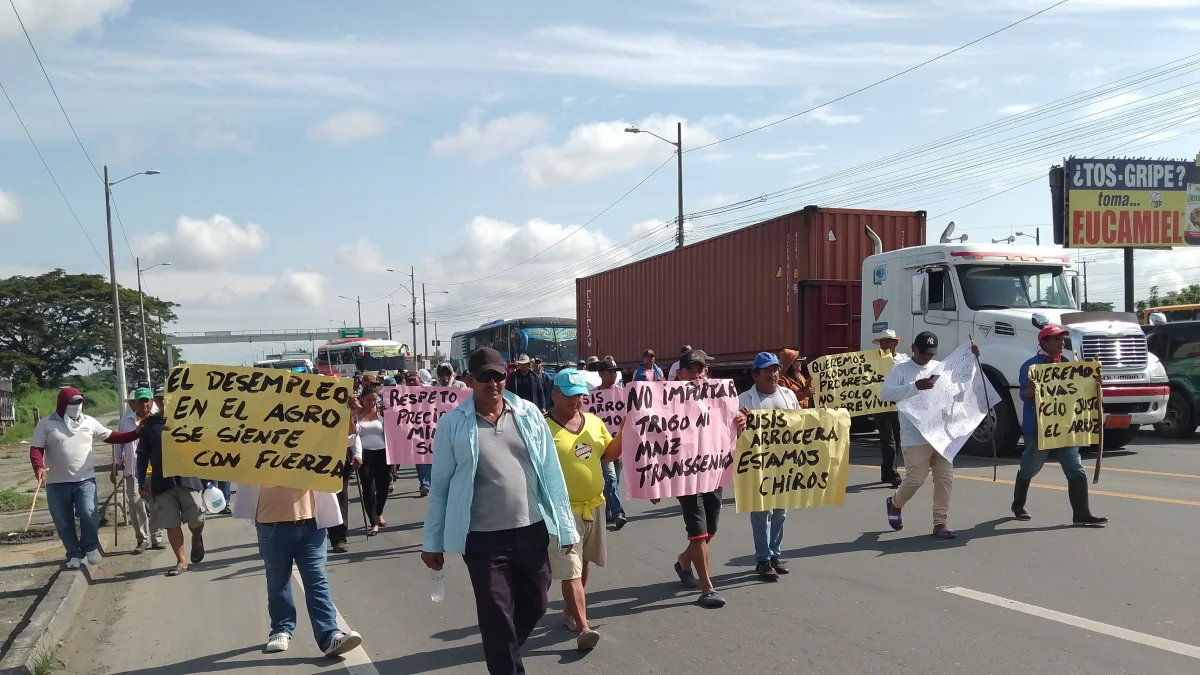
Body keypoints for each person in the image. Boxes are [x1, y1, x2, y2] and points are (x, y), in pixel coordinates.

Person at [421, 347, 579, 675]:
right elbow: (441, 487)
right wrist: (431, 541)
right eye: (484, 377)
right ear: (469, 380)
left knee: (536, 604)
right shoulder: (453, 424)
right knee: (495, 614)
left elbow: (551, 471)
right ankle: (503, 659)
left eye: (499, 376)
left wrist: (565, 528)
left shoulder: (529, 414)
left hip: (531, 529)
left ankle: (500, 649)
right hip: (482, 539)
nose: (493, 383)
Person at [233, 478, 363, 657]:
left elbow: (339, 449)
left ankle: (329, 635)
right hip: (271, 524)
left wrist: (356, 452)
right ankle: (281, 629)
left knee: (317, 579)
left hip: (311, 524)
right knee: (278, 580)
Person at [545, 369, 622, 651]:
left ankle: (568, 613)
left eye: (579, 395)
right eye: (569, 395)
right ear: (554, 394)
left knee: (584, 562)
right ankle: (584, 626)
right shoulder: (543, 427)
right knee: (571, 570)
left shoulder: (593, 421)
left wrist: (624, 431)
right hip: (562, 512)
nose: (575, 400)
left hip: (595, 505)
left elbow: (608, 454)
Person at [668, 349, 746, 608]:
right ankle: (707, 588)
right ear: (679, 373)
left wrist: (741, 421)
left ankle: (683, 561)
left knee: (710, 528)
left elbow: (729, 431)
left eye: (701, 369)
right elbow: (652, 441)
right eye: (691, 369)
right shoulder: (665, 401)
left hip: (713, 471)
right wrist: (654, 485)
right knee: (698, 532)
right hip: (685, 473)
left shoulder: (718, 399)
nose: (698, 374)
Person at [30, 388, 142, 569]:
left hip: (85, 480)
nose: (76, 407)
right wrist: (39, 467)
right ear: (62, 404)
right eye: (72, 403)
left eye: (79, 403)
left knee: (89, 513)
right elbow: (36, 448)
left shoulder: (89, 422)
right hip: (57, 483)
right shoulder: (46, 424)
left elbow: (111, 436)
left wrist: (136, 433)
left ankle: (90, 546)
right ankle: (73, 553)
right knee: (63, 521)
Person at [880, 332, 977, 540]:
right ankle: (895, 503)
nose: (927, 358)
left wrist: (972, 361)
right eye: (924, 353)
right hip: (914, 436)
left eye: (931, 354)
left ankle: (940, 523)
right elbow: (885, 394)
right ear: (914, 348)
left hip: (941, 434)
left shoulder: (940, 367)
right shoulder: (901, 369)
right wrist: (915, 387)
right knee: (915, 479)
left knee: (944, 480)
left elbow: (960, 390)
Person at [1012, 325, 1108, 526]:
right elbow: (1024, 395)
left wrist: (1095, 382)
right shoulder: (1031, 366)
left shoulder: (1069, 365)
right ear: (1044, 342)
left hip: (1065, 427)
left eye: (1062, 339)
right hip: (1039, 428)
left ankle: (1082, 513)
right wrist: (1030, 390)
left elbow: (1081, 392)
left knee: (1075, 467)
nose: (1061, 342)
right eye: (1056, 339)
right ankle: (1018, 505)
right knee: (1030, 467)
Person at [737, 352, 800, 581]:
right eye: (767, 370)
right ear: (756, 375)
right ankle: (762, 559)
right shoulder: (744, 400)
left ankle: (774, 554)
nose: (773, 374)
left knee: (781, 511)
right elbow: (733, 432)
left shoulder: (788, 395)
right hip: (758, 464)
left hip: (784, 462)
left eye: (775, 369)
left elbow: (801, 425)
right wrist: (740, 421)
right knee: (761, 511)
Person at [135, 408, 206, 577]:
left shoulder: (192, 416)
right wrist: (141, 481)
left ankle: (196, 538)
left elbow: (204, 445)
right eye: (159, 398)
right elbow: (143, 455)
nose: (163, 401)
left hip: (188, 477)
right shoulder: (149, 425)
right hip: (162, 481)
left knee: (197, 516)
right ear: (156, 402)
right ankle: (181, 560)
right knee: (170, 522)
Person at [114, 388, 163, 554]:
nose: (144, 404)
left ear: (152, 402)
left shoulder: (159, 420)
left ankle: (157, 537)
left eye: (147, 400)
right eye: (141, 401)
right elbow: (118, 443)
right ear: (135, 403)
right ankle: (142, 539)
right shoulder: (126, 420)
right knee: (136, 504)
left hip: (155, 469)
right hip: (133, 470)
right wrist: (116, 463)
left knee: (155, 504)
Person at [872, 330, 909, 489]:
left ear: (895, 344)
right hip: (881, 404)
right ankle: (893, 475)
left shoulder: (903, 360)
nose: (885, 345)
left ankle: (887, 472)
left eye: (888, 341)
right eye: (882, 342)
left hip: (899, 405)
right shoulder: (873, 360)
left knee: (898, 440)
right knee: (888, 440)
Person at [594, 357, 628, 530]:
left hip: (619, 443)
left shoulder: (622, 394)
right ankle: (618, 513)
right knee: (611, 477)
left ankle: (608, 509)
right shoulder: (593, 396)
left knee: (614, 478)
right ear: (601, 374)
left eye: (615, 371)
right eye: (610, 372)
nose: (613, 375)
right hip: (602, 446)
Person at [329, 406, 365, 554]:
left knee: (339, 498)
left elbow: (352, 438)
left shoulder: (344, 406)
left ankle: (339, 539)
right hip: (307, 459)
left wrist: (357, 454)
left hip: (338, 458)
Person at [355, 389, 391, 534]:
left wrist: (386, 416)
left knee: (384, 486)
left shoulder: (382, 413)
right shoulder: (356, 415)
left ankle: (379, 511)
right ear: (362, 399)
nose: (372, 403)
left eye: (375, 400)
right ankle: (373, 522)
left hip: (382, 452)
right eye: (369, 399)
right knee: (368, 488)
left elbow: (393, 431)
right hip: (364, 454)